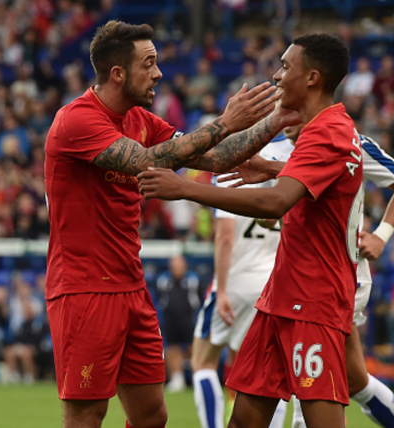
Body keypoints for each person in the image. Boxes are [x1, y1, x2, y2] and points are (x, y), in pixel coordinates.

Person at [44, 20, 298, 428]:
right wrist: (224, 123)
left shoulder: (140, 120)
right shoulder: (76, 121)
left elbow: (214, 157)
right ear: (118, 73)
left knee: (151, 417)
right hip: (84, 290)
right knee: (87, 415)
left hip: (131, 287)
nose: (159, 73)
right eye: (149, 63)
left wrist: (276, 120)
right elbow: (151, 161)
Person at [139, 34, 361, 428]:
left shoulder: (329, 131)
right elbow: (312, 184)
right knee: (244, 420)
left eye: (285, 67)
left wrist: (186, 189)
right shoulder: (320, 130)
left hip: (313, 302)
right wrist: (273, 168)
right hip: (278, 298)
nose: (277, 76)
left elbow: (276, 203)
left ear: (312, 78)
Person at [219, 128, 394, 427]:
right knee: (354, 382)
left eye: (287, 96)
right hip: (290, 280)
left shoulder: (349, 142)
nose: (284, 110)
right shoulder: (273, 152)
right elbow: (269, 219)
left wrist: (381, 235)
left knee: (310, 389)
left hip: (340, 279)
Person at [191, 129, 296, 428]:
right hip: (271, 283)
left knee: (203, 361)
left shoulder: (225, 171)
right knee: (261, 373)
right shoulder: (282, 166)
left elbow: (224, 238)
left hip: (236, 279)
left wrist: (221, 290)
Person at [156, 254, 200, 393]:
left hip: (189, 320)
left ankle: (197, 378)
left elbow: (198, 299)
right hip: (170, 321)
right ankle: (177, 378)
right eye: (174, 265)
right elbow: (161, 300)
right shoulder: (163, 280)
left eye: (179, 264)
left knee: (194, 349)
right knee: (171, 348)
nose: (177, 268)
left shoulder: (193, 280)